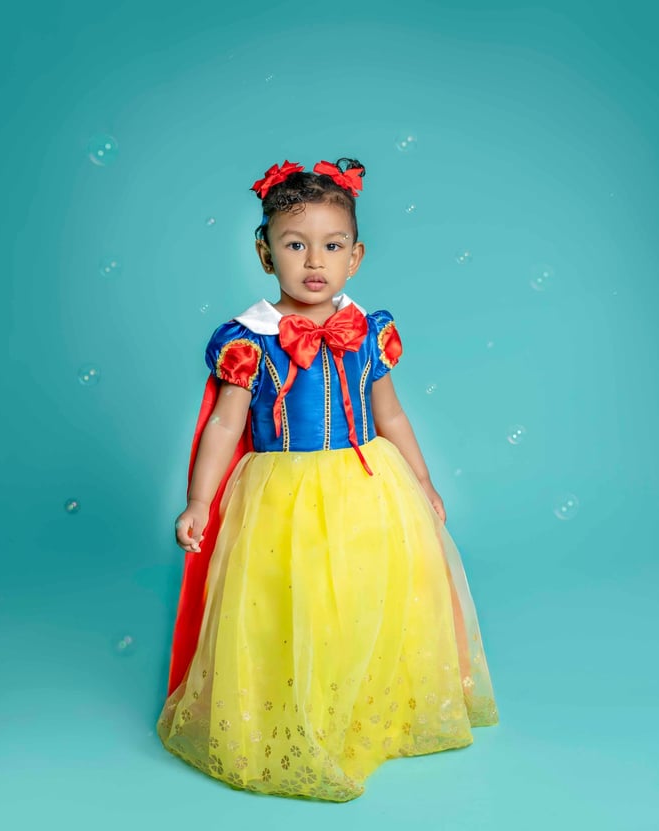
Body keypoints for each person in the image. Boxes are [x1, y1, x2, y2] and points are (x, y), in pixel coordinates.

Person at [156, 157, 499, 802]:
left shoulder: (368, 333)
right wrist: (199, 500)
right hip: (282, 496)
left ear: (356, 257)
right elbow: (225, 425)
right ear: (265, 253)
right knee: (293, 601)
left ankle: (363, 705)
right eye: (295, 245)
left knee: (368, 594)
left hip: (368, 485)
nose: (314, 261)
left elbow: (390, 414)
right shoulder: (251, 341)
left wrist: (423, 482)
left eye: (332, 246)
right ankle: (293, 716)